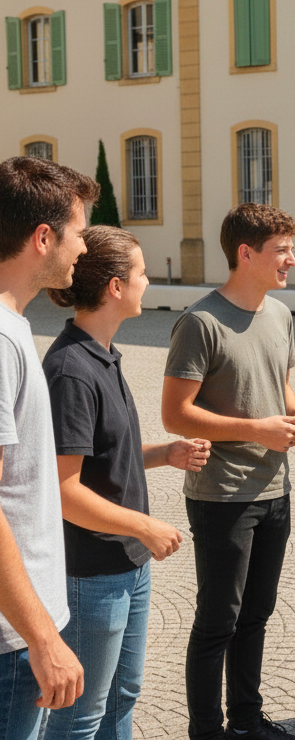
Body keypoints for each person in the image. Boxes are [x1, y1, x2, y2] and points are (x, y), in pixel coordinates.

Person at [42, 225, 212, 740]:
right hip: (91, 574)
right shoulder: (72, 369)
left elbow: (101, 457)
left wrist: (164, 453)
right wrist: (144, 525)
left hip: (126, 568)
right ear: (115, 287)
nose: (147, 281)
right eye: (139, 272)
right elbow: (65, 490)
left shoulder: (104, 355)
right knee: (81, 717)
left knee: (122, 698)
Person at [161, 204, 295, 740]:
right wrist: (258, 430)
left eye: (291, 250)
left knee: (257, 615)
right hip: (222, 495)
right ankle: (207, 731)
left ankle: (248, 721)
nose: (291, 260)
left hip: (276, 487)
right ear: (245, 253)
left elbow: (281, 386)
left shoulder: (277, 314)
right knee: (218, 621)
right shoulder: (200, 322)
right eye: (282, 251)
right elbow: (175, 414)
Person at [0, 156, 94, 739]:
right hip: (11, 643)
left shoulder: (15, 330)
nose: (83, 248)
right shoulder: (3, 341)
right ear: (43, 238)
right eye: (79, 232)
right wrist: (41, 638)